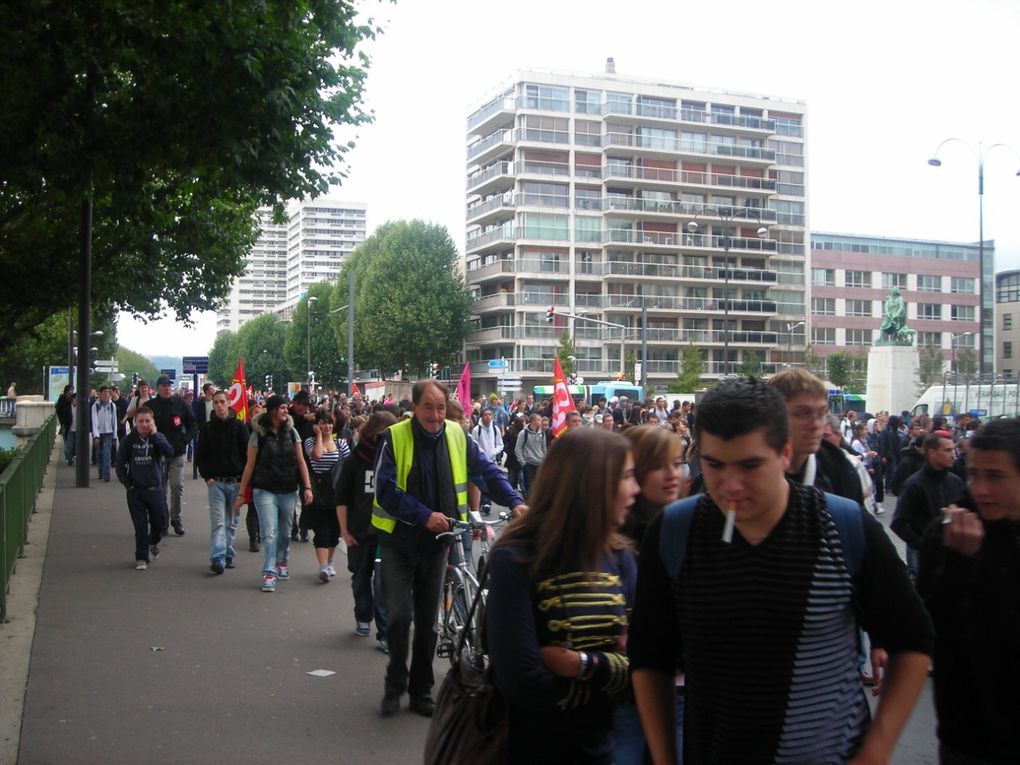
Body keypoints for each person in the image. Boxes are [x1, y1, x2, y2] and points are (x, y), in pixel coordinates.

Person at [629, 377, 933, 765]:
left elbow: (914, 638)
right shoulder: (674, 533)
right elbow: (650, 658)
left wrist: (876, 750)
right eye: (714, 465)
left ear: (784, 453)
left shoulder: (843, 526)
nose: (730, 485)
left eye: (750, 465)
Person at [373, 379, 525, 717]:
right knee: (399, 617)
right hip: (399, 544)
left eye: (440, 407)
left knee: (428, 624)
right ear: (414, 407)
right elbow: (384, 491)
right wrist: (425, 516)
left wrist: (514, 502)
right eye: (428, 407)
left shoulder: (457, 436)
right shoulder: (394, 437)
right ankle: (395, 683)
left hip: (438, 546)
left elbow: (487, 471)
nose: (435, 414)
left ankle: (421, 690)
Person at [486, 427, 638, 764]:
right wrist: (613, 676)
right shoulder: (514, 559)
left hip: (606, 750)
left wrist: (582, 664)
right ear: (592, 485)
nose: (635, 489)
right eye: (627, 477)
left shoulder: (622, 559)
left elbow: (649, 667)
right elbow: (523, 682)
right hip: (532, 750)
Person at [916, 418, 1020, 765]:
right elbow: (927, 629)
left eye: (995, 476)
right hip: (972, 733)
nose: (981, 489)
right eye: (974, 474)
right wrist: (958, 564)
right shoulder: (948, 532)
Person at [615, 424, 689, 764]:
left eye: (677, 463)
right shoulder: (618, 537)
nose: (673, 474)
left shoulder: (688, 524)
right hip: (627, 690)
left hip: (681, 686)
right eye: (659, 466)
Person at [232, 395, 314, 592]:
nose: (287, 411)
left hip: (288, 489)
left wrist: (307, 486)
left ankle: (282, 562)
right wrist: (242, 493)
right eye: (283, 408)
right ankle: (269, 572)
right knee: (269, 533)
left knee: (285, 533)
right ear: (273, 410)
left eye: (287, 408)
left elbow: (301, 461)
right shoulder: (257, 434)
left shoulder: (292, 432)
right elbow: (249, 465)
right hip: (264, 490)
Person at [337, 410, 395, 651]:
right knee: (361, 578)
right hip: (359, 531)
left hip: (386, 534)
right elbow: (342, 499)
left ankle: (385, 633)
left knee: (383, 585)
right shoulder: (353, 461)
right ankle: (363, 614)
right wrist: (345, 532)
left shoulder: (395, 459)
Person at [768, 368, 864, 504]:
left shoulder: (838, 465)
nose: (816, 424)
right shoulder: (755, 469)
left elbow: (858, 520)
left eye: (821, 413)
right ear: (774, 416)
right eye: (802, 413)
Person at [892, 432, 964, 576]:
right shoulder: (914, 485)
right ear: (932, 453)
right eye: (948, 450)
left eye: (954, 450)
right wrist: (921, 544)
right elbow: (898, 523)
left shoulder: (955, 482)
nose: (953, 455)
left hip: (953, 554)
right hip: (925, 557)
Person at [196, 389, 249, 575]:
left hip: (235, 481)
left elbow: (247, 455)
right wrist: (207, 476)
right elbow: (201, 455)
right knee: (218, 521)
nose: (219, 405)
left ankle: (228, 553)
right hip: (216, 482)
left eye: (222, 402)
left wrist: (244, 479)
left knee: (232, 522)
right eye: (216, 402)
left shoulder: (240, 427)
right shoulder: (208, 428)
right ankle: (217, 557)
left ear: (228, 403)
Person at [115, 407, 173, 570]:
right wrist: (128, 484)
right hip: (136, 490)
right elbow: (120, 464)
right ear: (135, 422)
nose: (144, 424)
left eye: (148, 421)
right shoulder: (128, 441)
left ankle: (153, 541)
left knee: (160, 523)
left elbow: (169, 452)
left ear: (153, 422)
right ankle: (141, 556)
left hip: (155, 488)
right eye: (141, 421)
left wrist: (155, 436)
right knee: (140, 526)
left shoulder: (157, 438)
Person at [146, 376, 196, 536]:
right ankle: (163, 520)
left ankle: (176, 518)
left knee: (176, 486)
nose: (167, 388)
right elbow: (142, 424)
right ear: (158, 388)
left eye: (169, 385)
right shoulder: (151, 406)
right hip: (157, 452)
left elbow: (192, 424)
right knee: (160, 489)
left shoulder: (180, 403)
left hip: (176, 451)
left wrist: (185, 440)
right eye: (164, 386)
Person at [303, 407, 348, 583]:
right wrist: (320, 437)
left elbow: (348, 466)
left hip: (337, 494)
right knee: (321, 530)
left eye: (329, 423)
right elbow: (317, 456)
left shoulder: (341, 444)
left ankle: (329, 562)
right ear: (317, 425)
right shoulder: (310, 442)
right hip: (319, 493)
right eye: (323, 423)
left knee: (334, 532)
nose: (327, 426)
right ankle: (322, 566)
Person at [470, 407, 503, 514]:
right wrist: (480, 453)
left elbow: (500, 444)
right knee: (480, 482)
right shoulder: (477, 429)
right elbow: (473, 444)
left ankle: (487, 503)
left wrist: (494, 452)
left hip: (491, 460)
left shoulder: (495, 429)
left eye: (490, 415)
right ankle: (481, 503)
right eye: (486, 415)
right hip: (480, 461)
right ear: (482, 417)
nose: (488, 417)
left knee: (489, 482)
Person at [515, 412, 546, 498]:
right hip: (528, 463)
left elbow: (543, 448)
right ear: (533, 421)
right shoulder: (524, 433)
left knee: (539, 486)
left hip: (539, 463)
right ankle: (529, 504)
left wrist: (544, 460)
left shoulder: (542, 433)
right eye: (538, 420)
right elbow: (518, 448)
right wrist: (523, 463)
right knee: (529, 486)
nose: (540, 422)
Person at [90, 386, 118, 482]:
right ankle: (101, 472)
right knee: (99, 453)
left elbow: (114, 421)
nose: (106, 394)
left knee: (106, 453)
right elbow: (94, 420)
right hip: (99, 433)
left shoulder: (112, 406)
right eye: (104, 392)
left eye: (108, 392)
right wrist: (96, 435)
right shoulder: (95, 406)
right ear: (100, 394)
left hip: (109, 432)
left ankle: (106, 474)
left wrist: (115, 436)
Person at [56, 384, 75, 465]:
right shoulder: (62, 399)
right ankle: (68, 457)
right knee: (66, 440)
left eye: (72, 390)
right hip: (65, 423)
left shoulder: (73, 399)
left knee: (72, 442)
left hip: (71, 423)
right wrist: (61, 420)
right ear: (66, 391)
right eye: (70, 390)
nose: (71, 392)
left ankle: (70, 455)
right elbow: (58, 409)